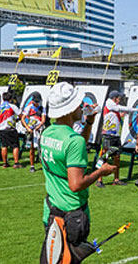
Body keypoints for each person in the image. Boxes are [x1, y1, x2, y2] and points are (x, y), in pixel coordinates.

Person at [39, 82, 117, 263]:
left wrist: (89, 123)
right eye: (78, 104)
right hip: (71, 216)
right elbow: (76, 184)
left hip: (51, 211)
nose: (82, 107)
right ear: (69, 109)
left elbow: (72, 149)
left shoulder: (48, 132)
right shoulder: (73, 141)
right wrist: (101, 172)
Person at [98, 90, 138, 187]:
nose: (119, 100)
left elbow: (118, 113)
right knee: (104, 158)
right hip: (108, 136)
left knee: (117, 158)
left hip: (115, 136)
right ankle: (99, 179)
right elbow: (120, 108)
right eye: (119, 98)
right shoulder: (110, 103)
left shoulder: (113, 108)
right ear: (114, 98)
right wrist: (137, 109)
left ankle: (116, 179)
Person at [20, 96, 46, 173]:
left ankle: (44, 164)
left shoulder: (42, 108)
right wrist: (27, 127)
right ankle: (32, 166)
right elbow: (23, 118)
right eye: (36, 102)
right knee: (31, 148)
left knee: (41, 148)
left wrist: (39, 126)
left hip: (39, 129)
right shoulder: (29, 107)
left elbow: (43, 119)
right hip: (31, 129)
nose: (37, 103)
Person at [0, 91, 21, 168]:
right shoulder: (12, 106)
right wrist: (16, 120)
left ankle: (5, 163)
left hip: (2, 129)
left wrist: (1, 122)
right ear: (11, 98)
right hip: (11, 128)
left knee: (4, 146)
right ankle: (16, 163)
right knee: (15, 146)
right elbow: (20, 115)